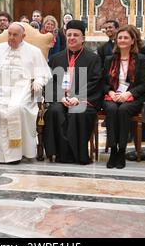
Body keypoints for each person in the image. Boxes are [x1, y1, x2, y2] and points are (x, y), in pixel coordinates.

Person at [0, 22, 51, 163]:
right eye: (10, 34)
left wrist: (38, 81)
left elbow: (42, 74)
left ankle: (16, 153)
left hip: (22, 88)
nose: (11, 38)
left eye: (15, 35)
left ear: (23, 36)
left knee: (18, 108)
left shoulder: (34, 51)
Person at [44, 20, 102, 164]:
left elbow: (95, 82)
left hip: (83, 99)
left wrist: (78, 97)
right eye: (69, 35)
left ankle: (78, 155)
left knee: (78, 111)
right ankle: (60, 154)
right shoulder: (56, 58)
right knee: (54, 111)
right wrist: (60, 97)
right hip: (61, 98)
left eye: (76, 35)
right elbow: (51, 81)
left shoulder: (93, 58)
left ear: (83, 38)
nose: (72, 38)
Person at [102, 25, 145, 169]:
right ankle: (113, 150)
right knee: (111, 109)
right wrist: (110, 93)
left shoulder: (140, 59)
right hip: (113, 95)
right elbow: (103, 82)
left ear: (132, 41)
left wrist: (128, 94)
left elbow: (144, 84)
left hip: (132, 96)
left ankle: (121, 151)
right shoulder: (109, 59)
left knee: (123, 110)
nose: (122, 40)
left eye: (126, 37)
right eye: (120, 37)